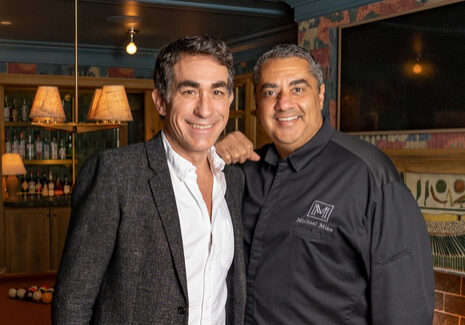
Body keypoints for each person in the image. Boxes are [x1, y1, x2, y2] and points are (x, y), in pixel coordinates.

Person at [215, 44, 434, 324]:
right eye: (270, 92)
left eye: (298, 89)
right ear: (258, 104)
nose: (283, 103)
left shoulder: (370, 176)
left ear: (320, 96)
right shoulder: (243, 172)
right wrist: (211, 155)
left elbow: (406, 307)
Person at [52, 35, 246, 325]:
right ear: (161, 101)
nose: (205, 109)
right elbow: (72, 302)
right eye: (189, 91)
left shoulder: (234, 179)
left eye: (217, 92)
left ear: (229, 100)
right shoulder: (115, 174)